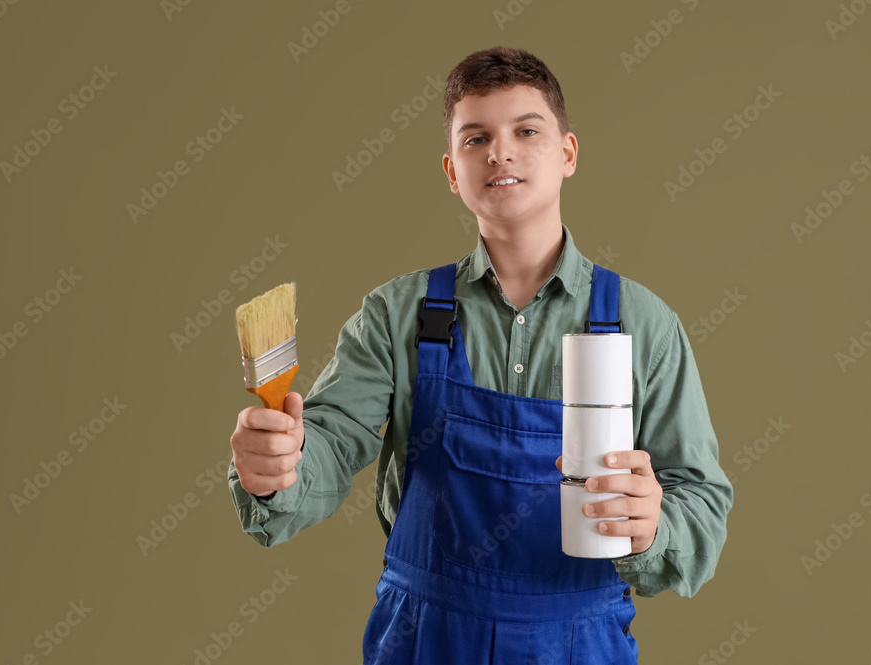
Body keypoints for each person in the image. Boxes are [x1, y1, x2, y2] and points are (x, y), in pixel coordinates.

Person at [227, 45, 732, 664]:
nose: (501, 151)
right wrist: (278, 470)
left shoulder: (644, 326)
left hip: (576, 645)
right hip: (425, 639)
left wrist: (655, 527)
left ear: (568, 152)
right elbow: (328, 445)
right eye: (475, 138)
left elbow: (700, 506)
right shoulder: (398, 314)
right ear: (450, 170)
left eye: (527, 130)